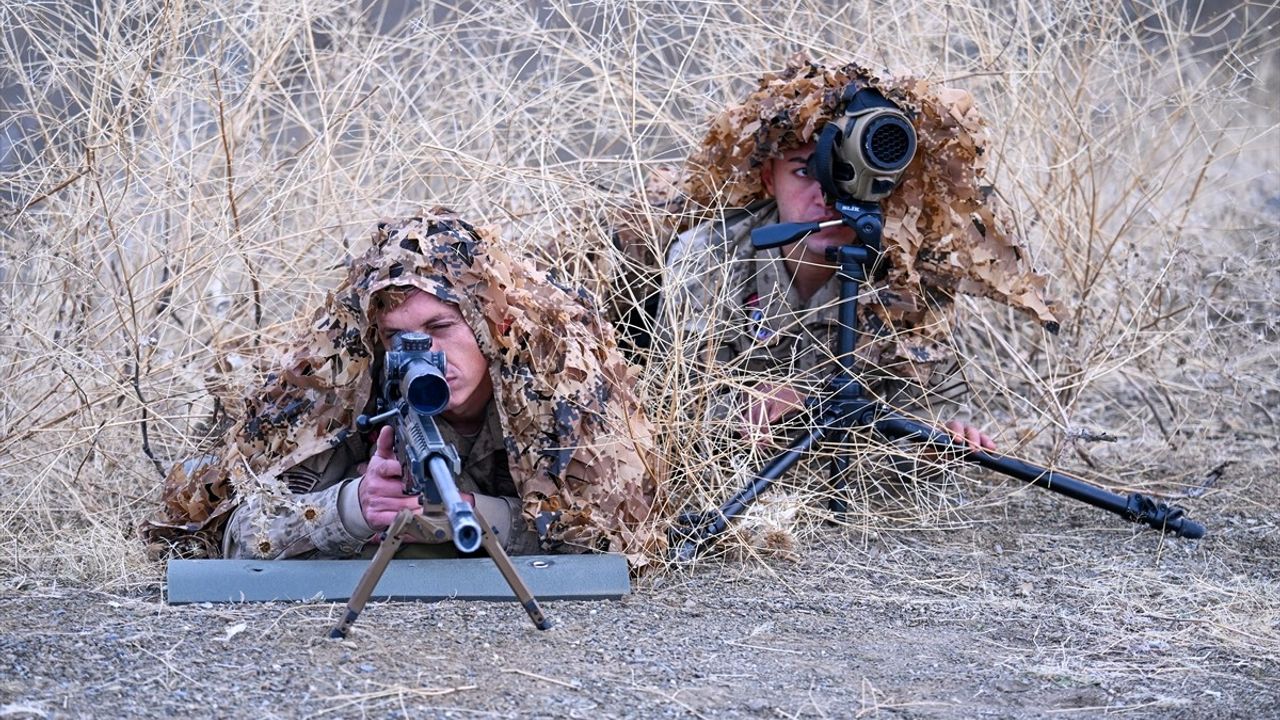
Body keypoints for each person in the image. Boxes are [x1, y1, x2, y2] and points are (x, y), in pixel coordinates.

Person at [145, 210, 664, 569]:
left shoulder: (553, 387)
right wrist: (352, 508)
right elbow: (237, 535)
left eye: (441, 328)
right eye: (399, 336)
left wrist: (483, 515)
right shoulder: (345, 389)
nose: (425, 353)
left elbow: (610, 539)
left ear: (490, 325)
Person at [652, 57, 1059, 455]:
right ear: (767, 180)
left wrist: (937, 444)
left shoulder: (911, 274)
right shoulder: (708, 256)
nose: (829, 193)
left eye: (846, 171)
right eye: (805, 171)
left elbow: (920, 422)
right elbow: (674, 410)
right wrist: (753, 408)